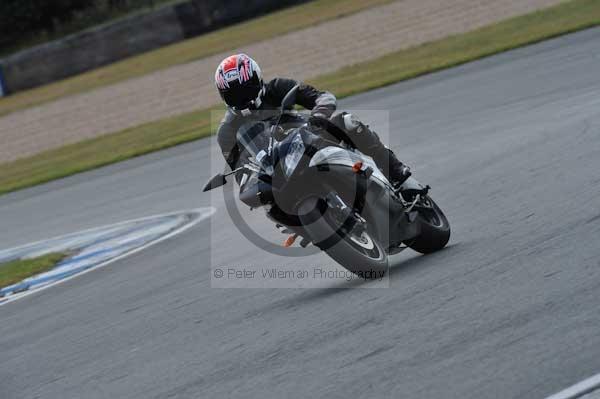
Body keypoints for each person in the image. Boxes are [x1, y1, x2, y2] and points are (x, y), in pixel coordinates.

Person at [214, 53, 411, 185]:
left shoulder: (278, 87)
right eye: (233, 95)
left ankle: (395, 172)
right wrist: (252, 178)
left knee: (346, 121)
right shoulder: (227, 132)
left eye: (245, 90)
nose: (241, 99)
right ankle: (298, 223)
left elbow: (322, 97)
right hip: (279, 170)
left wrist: (318, 116)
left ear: (257, 80)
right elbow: (240, 174)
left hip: (311, 137)